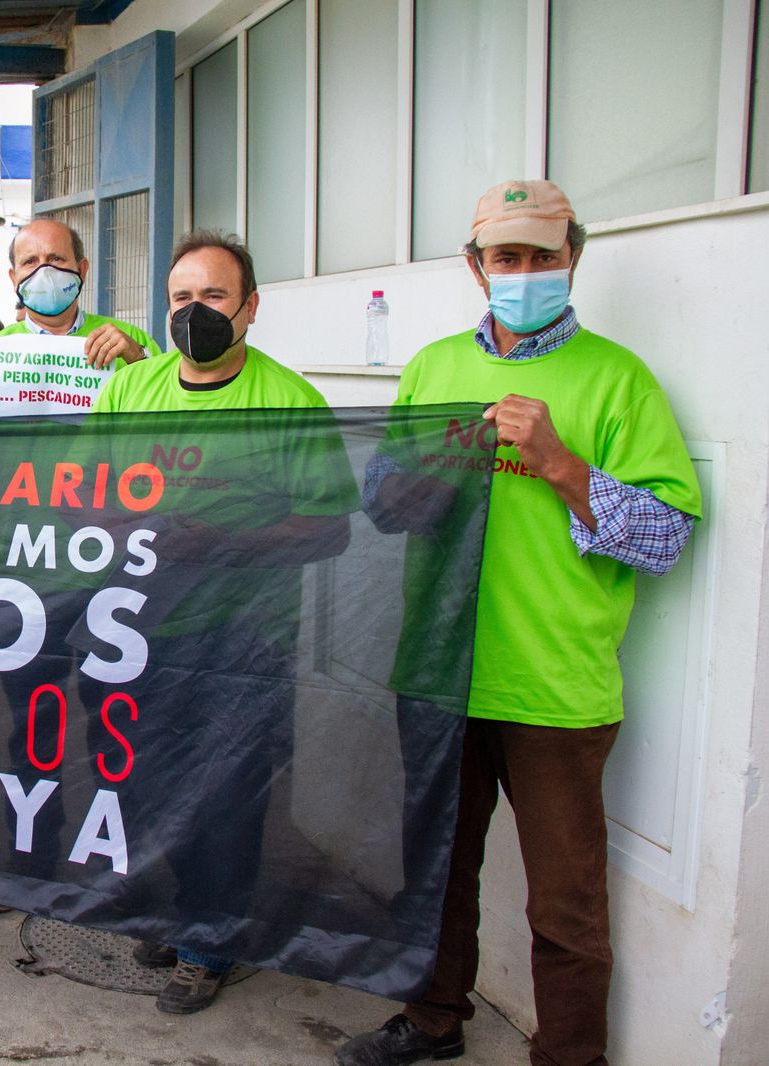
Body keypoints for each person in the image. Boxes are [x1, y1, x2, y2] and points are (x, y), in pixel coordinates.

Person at [337, 181, 701, 1066]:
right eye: (507, 256)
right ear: (476, 267)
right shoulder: (432, 369)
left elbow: (667, 536)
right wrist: (426, 478)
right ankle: (433, 1020)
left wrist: (561, 464)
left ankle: (570, 1055)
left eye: (543, 255)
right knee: (436, 871)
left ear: (573, 258)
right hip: (439, 670)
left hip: (554, 687)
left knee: (565, 904)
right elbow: (382, 505)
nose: (525, 271)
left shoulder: (617, 379)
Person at [91, 230, 355, 1014]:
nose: (195, 311)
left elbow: (330, 529)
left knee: (227, 796)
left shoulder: (290, 401)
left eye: (213, 296)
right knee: (148, 782)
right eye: (181, 297)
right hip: (141, 630)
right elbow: (82, 487)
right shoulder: (130, 391)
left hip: (245, 640)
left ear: (250, 307)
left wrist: (221, 542)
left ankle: (210, 942)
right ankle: (181, 913)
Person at [0, 219, 159, 416]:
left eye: (56, 258)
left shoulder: (130, 340)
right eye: (30, 261)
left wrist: (138, 359)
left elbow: (166, 408)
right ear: (14, 278)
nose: (44, 272)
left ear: (82, 270)